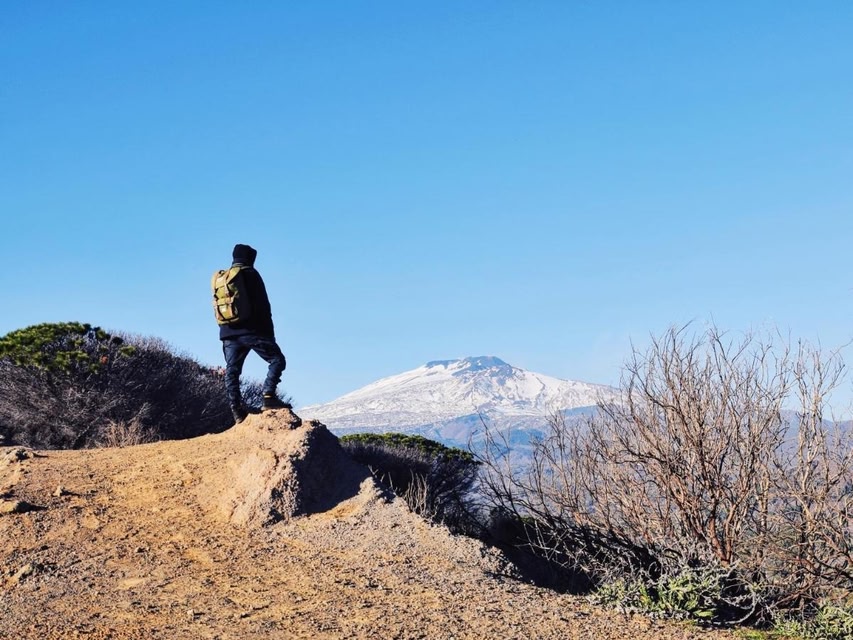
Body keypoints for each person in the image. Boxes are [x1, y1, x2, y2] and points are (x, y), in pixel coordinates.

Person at [219, 243, 289, 424]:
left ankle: (236, 410)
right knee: (277, 360)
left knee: (232, 371)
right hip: (252, 331)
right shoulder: (251, 274)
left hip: (227, 333)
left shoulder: (224, 278)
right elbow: (263, 307)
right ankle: (269, 397)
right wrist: (269, 335)